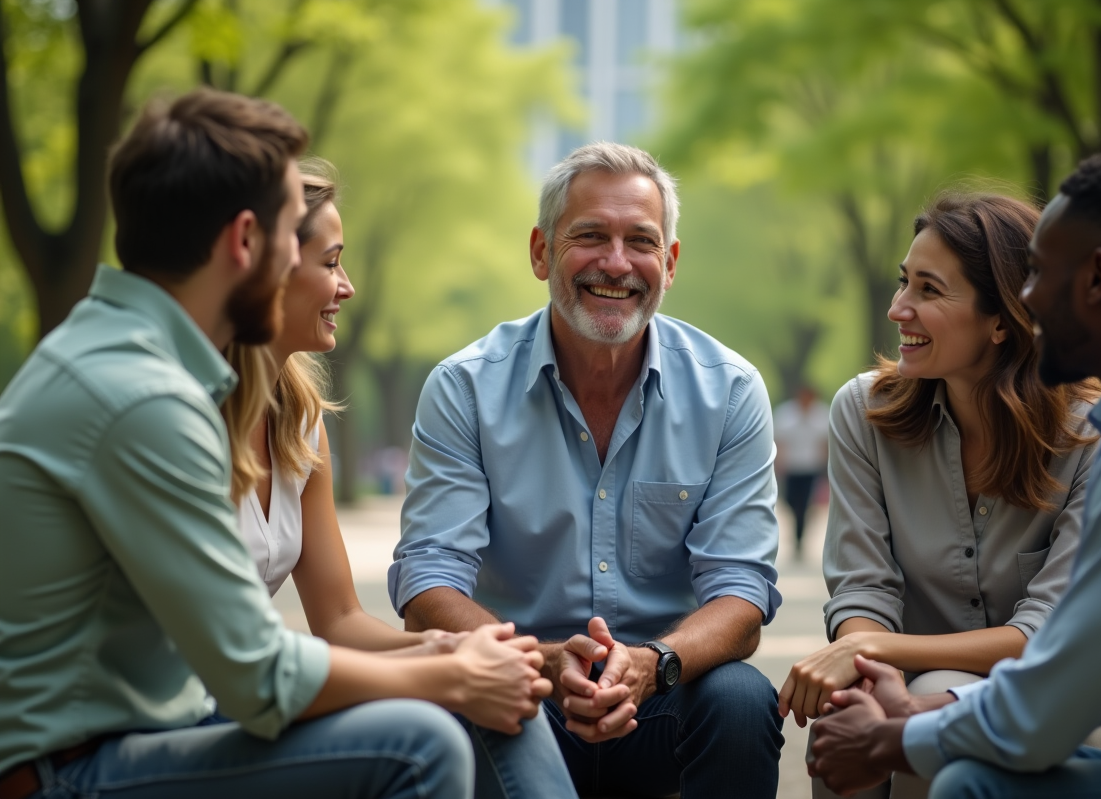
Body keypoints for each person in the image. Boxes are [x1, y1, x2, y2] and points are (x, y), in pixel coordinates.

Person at [0, 89, 546, 799]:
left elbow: (308, 636)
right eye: (296, 237)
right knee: (423, 741)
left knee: (460, 695)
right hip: (64, 772)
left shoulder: (132, 361)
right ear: (245, 242)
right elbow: (256, 676)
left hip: (142, 731)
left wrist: (450, 653)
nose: (317, 270)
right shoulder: (144, 397)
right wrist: (448, 674)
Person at [389, 141, 786, 798]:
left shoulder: (730, 390)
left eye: (641, 241)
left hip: (661, 691)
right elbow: (429, 580)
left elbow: (741, 594)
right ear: (541, 251)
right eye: (591, 235)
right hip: (523, 691)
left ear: (671, 261)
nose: (616, 263)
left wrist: (651, 665)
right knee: (456, 693)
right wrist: (537, 661)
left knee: (742, 699)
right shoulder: (465, 387)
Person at [807, 149, 1101, 798]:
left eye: (1039, 273)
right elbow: (1075, 680)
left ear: (1097, 278)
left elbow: (1053, 697)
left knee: (967, 780)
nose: (1027, 297)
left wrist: (900, 736)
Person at [221, 157, 575, 799]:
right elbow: (238, 662)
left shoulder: (298, 425)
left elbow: (340, 619)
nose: (347, 286)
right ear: (267, 268)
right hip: (182, 710)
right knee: (441, 715)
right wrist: (441, 667)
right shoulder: (179, 423)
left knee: (495, 691)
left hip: (249, 693)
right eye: (330, 262)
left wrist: (463, 652)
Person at [772, 383, 829, 554]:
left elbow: (824, 444)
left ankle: (800, 539)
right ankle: (798, 528)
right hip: (791, 467)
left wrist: (825, 469)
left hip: (811, 467)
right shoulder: (785, 413)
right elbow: (779, 441)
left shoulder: (822, 414)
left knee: (805, 504)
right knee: (790, 501)